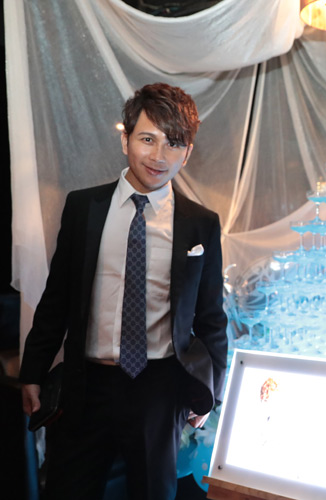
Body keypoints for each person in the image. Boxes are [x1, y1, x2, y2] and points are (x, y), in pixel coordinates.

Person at [19, 83, 229, 499]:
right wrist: (32, 372)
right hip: (85, 384)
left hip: (160, 386)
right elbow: (57, 298)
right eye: (147, 139)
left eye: (173, 143)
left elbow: (210, 316)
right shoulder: (84, 208)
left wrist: (211, 393)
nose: (159, 156)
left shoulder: (200, 223)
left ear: (187, 153)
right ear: (125, 140)